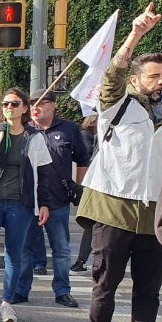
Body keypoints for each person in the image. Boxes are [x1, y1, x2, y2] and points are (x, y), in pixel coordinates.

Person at [82, 3, 162, 322]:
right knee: (107, 281)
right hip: (113, 208)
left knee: (149, 287)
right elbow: (113, 72)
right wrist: (135, 35)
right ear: (137, 81)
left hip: (155, 214)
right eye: (154, 77)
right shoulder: (116, 105)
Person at [0, 88, 51, 322]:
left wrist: (44, 203)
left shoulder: (35, 137)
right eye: (6, 104)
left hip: (20, 203)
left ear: (25, 108)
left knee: (14, 255)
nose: (9, 108)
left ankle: (7, 303)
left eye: (15, 104)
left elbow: (44, 173)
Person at [18, 90, 90, 308]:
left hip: (58, 200)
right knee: (25, 248)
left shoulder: (68, 129)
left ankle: (62, 291)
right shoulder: (24, 131)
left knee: (61, 249)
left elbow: (83, 159)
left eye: (41, 103)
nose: (35, 107)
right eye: (31, 103)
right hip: (30, 200)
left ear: (52, 106)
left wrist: (77, 187)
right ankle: (21, 290)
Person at [71, 114, 99, 273]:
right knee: (92, 225)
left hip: (97, 186)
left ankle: (82, 261)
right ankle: (82, 260)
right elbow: (86, 158)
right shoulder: (89, 137)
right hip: (95, 187)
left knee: (93, 226)